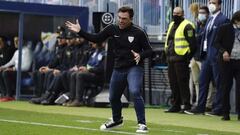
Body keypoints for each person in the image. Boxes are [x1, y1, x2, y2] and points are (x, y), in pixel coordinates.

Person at [66, 6, 152, 133]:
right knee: (113, 97)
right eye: (119, 18)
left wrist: (141, 55)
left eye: (124, 18)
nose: (121, 21)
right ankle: (117, 120)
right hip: (118, 68)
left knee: (134, 91)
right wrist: (80, 31)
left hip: (134, 67)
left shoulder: (139, 32)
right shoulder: (112, 28)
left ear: (131, 19)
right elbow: (96, 38)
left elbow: (150, 51)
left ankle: (142, 124)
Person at [185, 0, 229, 115]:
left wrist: (222, 52)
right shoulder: (209, 19)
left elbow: (225, 39)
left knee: (218, 83)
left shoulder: (223, 20)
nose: (211, 4)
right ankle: (200, 107)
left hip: (216, 56)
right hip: (206, 56)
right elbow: (203, 37)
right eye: (210, 2)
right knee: (202, 81)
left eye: (214, 2)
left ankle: (218, 108)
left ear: (219, 5)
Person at [164, 7, 196, 113]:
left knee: (183, 83)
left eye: (178, 13)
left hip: (181, 59)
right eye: (174, 13)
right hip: (171, 58)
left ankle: (186, 105)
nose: (175, 15)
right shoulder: (171, 25)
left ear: (182, 14)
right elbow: (169, 41)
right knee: (173, 83)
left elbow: (193, 44)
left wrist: (187, 57)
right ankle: (175, 105)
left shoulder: (187, 25)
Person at [214, 10, 240, 120]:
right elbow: (216, 42)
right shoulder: (225, 28)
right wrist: (223, 51)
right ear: (236, 20)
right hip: (226, 61)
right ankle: (225, 112)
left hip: (239, 60)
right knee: (226, 86)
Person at [0, 37, 33, 102]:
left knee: (6, 73)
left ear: (22, 41)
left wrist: (13, 68)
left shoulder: (27, 51)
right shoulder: (17, 52)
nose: (15, 43)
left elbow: (26, 67)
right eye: (15, 41)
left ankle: (10, 95)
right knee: (2, 71)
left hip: (24, 73)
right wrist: (2, 67)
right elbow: (11, 62)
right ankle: (4, 94)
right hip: (16, 72)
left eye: (17, 41)